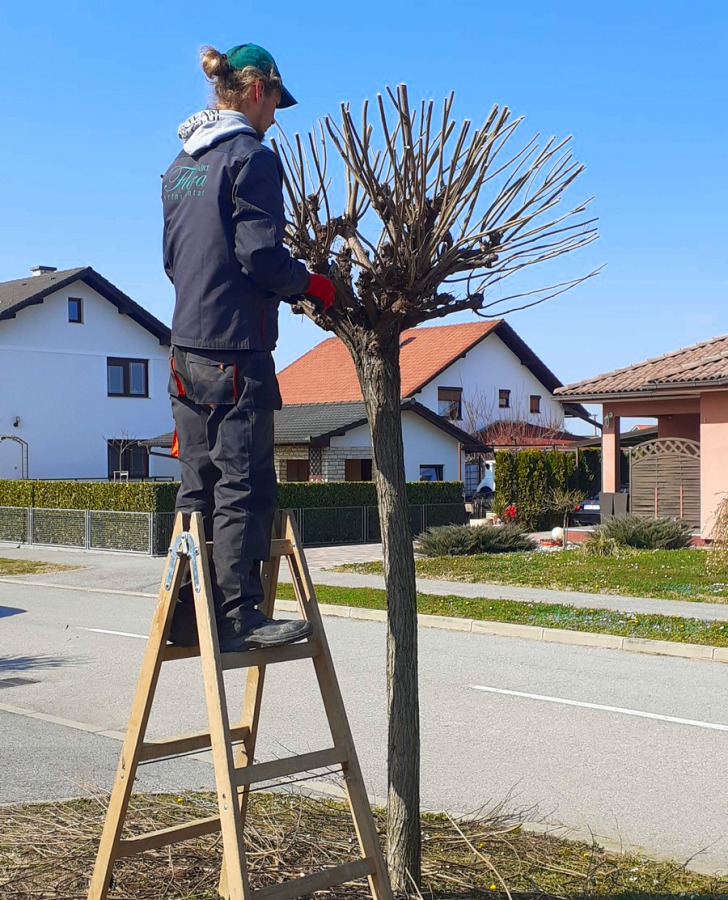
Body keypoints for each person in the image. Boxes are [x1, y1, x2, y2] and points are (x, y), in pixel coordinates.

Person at [162, 43, 335, 652]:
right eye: (275, 105)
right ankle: (240, 619)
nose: (274, 118)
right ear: (257, 90)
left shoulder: (181, 165)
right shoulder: (251, 158)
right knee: (245, 484)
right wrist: (312, 285)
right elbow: (260, 256)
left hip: (185, 347)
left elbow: (172, 261)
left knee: (197, 486)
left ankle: (188, 614)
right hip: (236, 349)